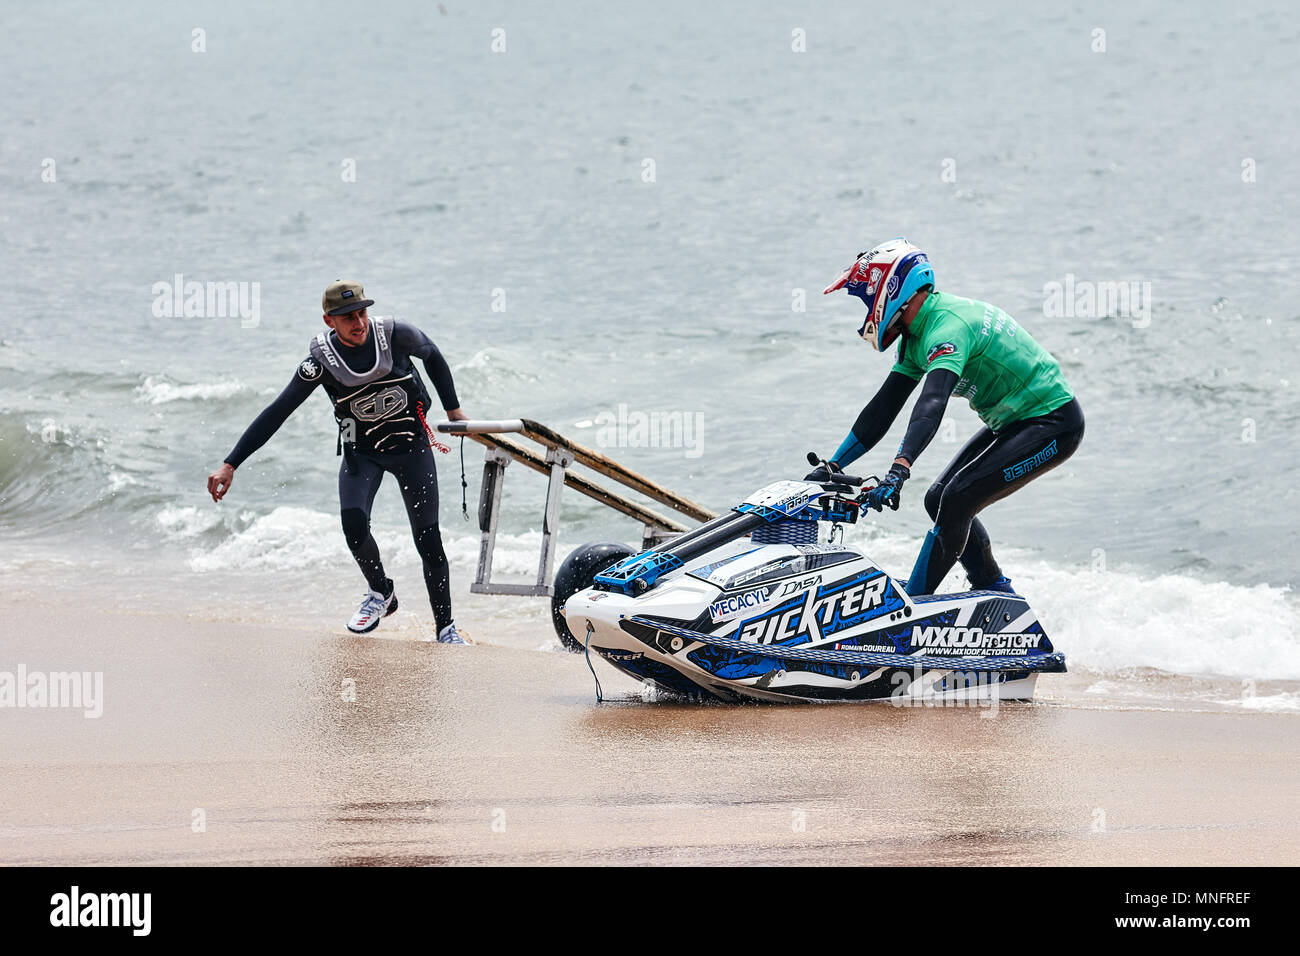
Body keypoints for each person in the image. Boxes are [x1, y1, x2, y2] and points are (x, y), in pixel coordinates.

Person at [813, 238, 1084, 597]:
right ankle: (995, 593)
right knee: (938, 498)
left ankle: (913, 611)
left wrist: (900, 468)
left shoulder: (946, 328)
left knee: (957, 499)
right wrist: (833, 465)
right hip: (1013, 422)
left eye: (866, 298)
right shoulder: (917, 335)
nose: (865, 309)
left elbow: (932, 402)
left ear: (891, 290)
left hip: (1054, 424)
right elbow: (882, 410)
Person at [207, 280, 470, 641]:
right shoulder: (319, 364)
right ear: (329, 321)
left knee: (428, 539)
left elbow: (434, 356)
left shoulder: (398, 336)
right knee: (353, 525)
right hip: (362, 454)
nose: (358, 322)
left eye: (361, 313)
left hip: (412, 450)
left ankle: (446, 629)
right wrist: (231, 463)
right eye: (347, 318)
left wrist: (454, 411)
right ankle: (381, 592)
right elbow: (278, 411)